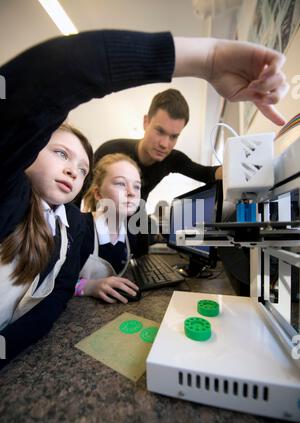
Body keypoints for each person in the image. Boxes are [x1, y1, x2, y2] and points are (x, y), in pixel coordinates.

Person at [0, 30, 288, 368]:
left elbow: (211, 174)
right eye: (60, 154)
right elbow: (41, 89)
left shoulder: (70, 228)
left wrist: (258, 163)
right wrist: (207, 59)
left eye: (81, 166)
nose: (73, 172)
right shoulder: (20, 200)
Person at [93, 88, 222, 203]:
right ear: (146, 122)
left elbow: (207, 173)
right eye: (160, 131)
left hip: (138, 224)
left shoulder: (173, 159)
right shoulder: (110, 151)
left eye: (173, 136)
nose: (165, 144)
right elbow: (78, 195)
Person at [77, 154, 141, 304]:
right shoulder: (79, 227)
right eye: (120, 183)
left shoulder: (131, 235)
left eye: (137, 186)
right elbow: (50, 281)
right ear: (98, 193)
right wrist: (89, 286)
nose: (131, 192)